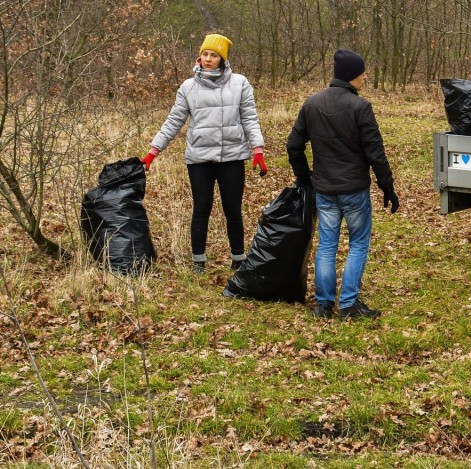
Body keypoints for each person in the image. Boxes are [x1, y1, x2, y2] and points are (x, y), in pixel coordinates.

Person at [286, 49, 399, 320]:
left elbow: (293, 145)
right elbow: (375, 152)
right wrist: (388, 187)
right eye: (362, 72)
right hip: (354, 191)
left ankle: (324, 306)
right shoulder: (360, 107)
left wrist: (305, 177)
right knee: (358, 244)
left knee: (327, 244)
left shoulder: (312, 103)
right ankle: (348, 305)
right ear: (351, 76)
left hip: (325, 189)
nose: (365, 77)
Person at [143, 33, 266, 274]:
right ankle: (198, 261)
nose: (208, 59)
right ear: (200, 56)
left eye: (214, 55)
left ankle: (238, 258)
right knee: (201, 208)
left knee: (233, 208)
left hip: (231, 157)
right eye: (205, 54)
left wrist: (257, 149)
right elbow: (173, 121)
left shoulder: (240, 83)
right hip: (199, 159)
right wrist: (153, 151)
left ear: (223, 59)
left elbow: (250, 118)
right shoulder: (188, 87)